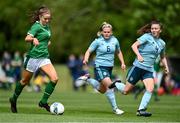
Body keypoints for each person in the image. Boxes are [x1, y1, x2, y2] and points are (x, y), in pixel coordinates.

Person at [109, 20, 169, 117]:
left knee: (150, 89)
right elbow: (134, 46)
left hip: (148, 70)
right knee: (125, 91)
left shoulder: (162, 43)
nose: (153, 30)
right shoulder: (146, 37)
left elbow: (162, 57)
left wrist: (166, 67)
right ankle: (116, 84)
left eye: (156, 28)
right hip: (138, 67)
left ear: (160, 30)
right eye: (152, 28)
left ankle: (141, 110)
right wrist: (139, 55)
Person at [9, 5, 59, 113]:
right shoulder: (36, 26)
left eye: (48, 18)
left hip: (44, 57)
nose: (47, 20)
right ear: (40, 17)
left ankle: (43, 102)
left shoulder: (47, 26)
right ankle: (13, 99)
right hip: (33, 58)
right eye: (45, 18)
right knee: (24, 81)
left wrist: (46, 43)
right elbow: (27, 38)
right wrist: (33, 39)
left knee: (54, 79)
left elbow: (45, 39)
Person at [76, 22, 126, 115]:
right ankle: (115, 109)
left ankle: (88, 79)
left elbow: (118, 52)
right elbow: (88, 51)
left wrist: (122, 62)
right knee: (109, 86)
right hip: (100, 66)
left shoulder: (115, 40)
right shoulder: (97, 41)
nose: (106, 33)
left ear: (111, 33)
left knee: (102, 90)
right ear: (102, 32)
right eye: (105, 32)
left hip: (109, 67)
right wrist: (86, 59)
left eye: (108, 32)